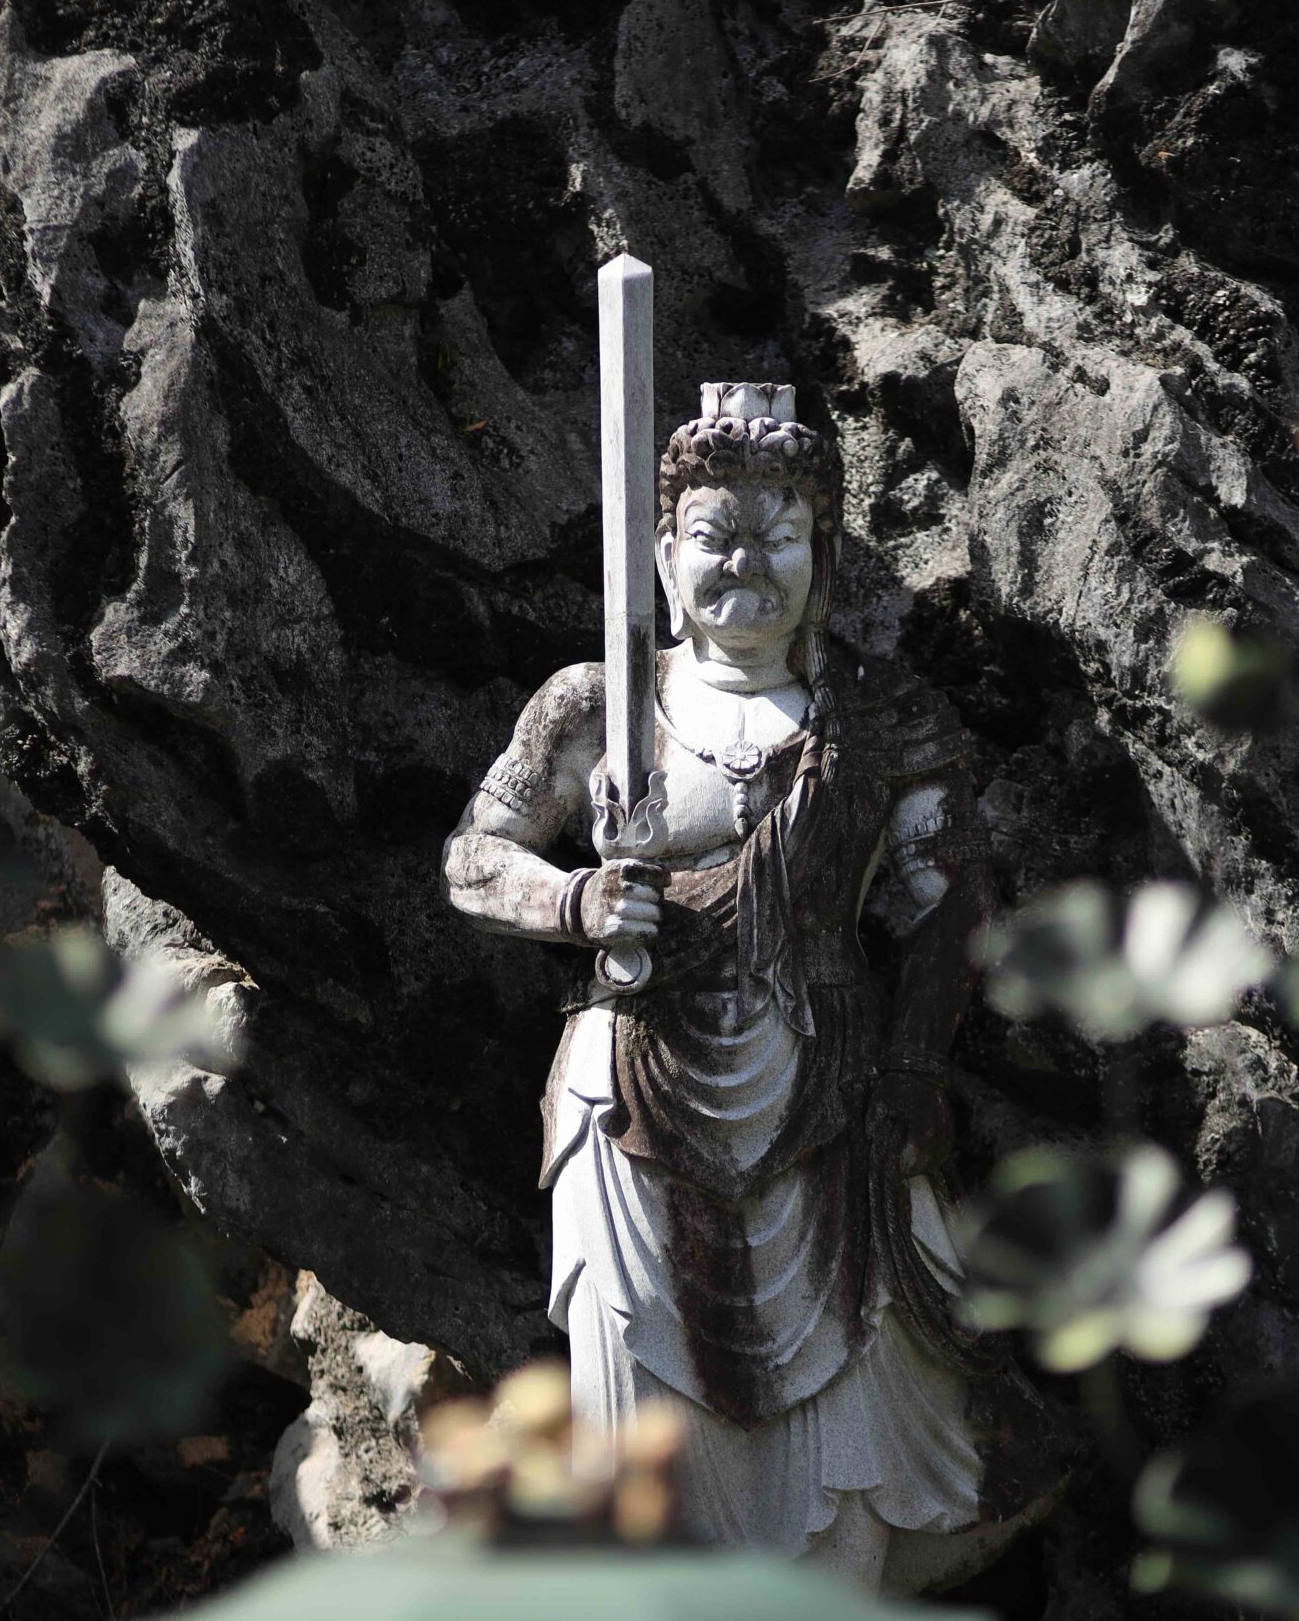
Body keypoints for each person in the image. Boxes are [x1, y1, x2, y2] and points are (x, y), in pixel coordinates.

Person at [442, 384, 1041, 1590]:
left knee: (870, 1394)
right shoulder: (597, 704)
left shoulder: (882, 716)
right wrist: (573, 902)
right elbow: (470, 856)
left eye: (781, 538)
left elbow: (953, 908)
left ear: (823, 556)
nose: (747, 567)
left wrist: (920, 1060)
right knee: (641, 1393)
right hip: (632, 1095)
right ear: (665, 552)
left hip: (831, 1085)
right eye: (716, 536)